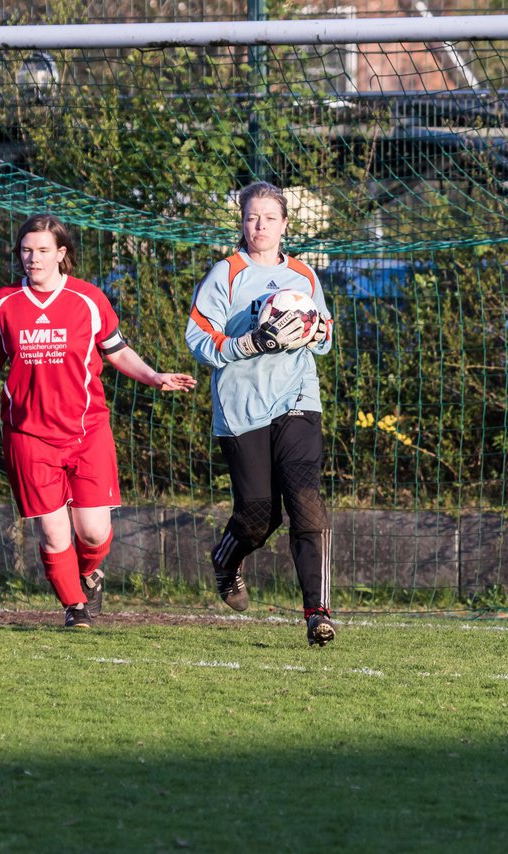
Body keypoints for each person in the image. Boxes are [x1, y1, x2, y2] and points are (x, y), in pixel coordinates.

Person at [0, 213, 196, 628]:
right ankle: (75, 607)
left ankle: (89, 574)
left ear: (61, 254)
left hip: (86, 430)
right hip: (29, 435)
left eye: (41, 251)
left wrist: (153, 376)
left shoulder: (88, 300)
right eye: (25, 251)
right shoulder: (4, 303)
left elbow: (117, 351)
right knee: (54, 535)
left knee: (92, 533)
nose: (32, 258)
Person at [184, 181, 338, 647]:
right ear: (242, 222)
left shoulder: (304, 276)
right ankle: (226, 562)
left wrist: (309, 335)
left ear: (285, 224)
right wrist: (248, 343)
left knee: (305, 502)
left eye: (270, 218)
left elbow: (327, 337)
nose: (260, 226)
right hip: (241, 409)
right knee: (257, 515)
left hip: (297, 400)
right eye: (252, 217)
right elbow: (197, 339)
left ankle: (318, 613)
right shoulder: (226, 273)